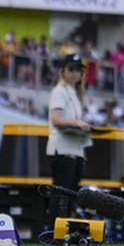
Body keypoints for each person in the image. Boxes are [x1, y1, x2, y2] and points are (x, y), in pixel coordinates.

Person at [45, 53, 94, 229]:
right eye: (71, 69)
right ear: (63, 71)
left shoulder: (76, 93)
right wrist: (77, 123)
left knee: (70, 194)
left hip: (74, 149)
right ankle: (53, 231)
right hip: (62, 150)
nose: (75, 73)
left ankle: (63, 230)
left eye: (78, 70)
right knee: (61, 194)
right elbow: (56, 119)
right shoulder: (60, 91)